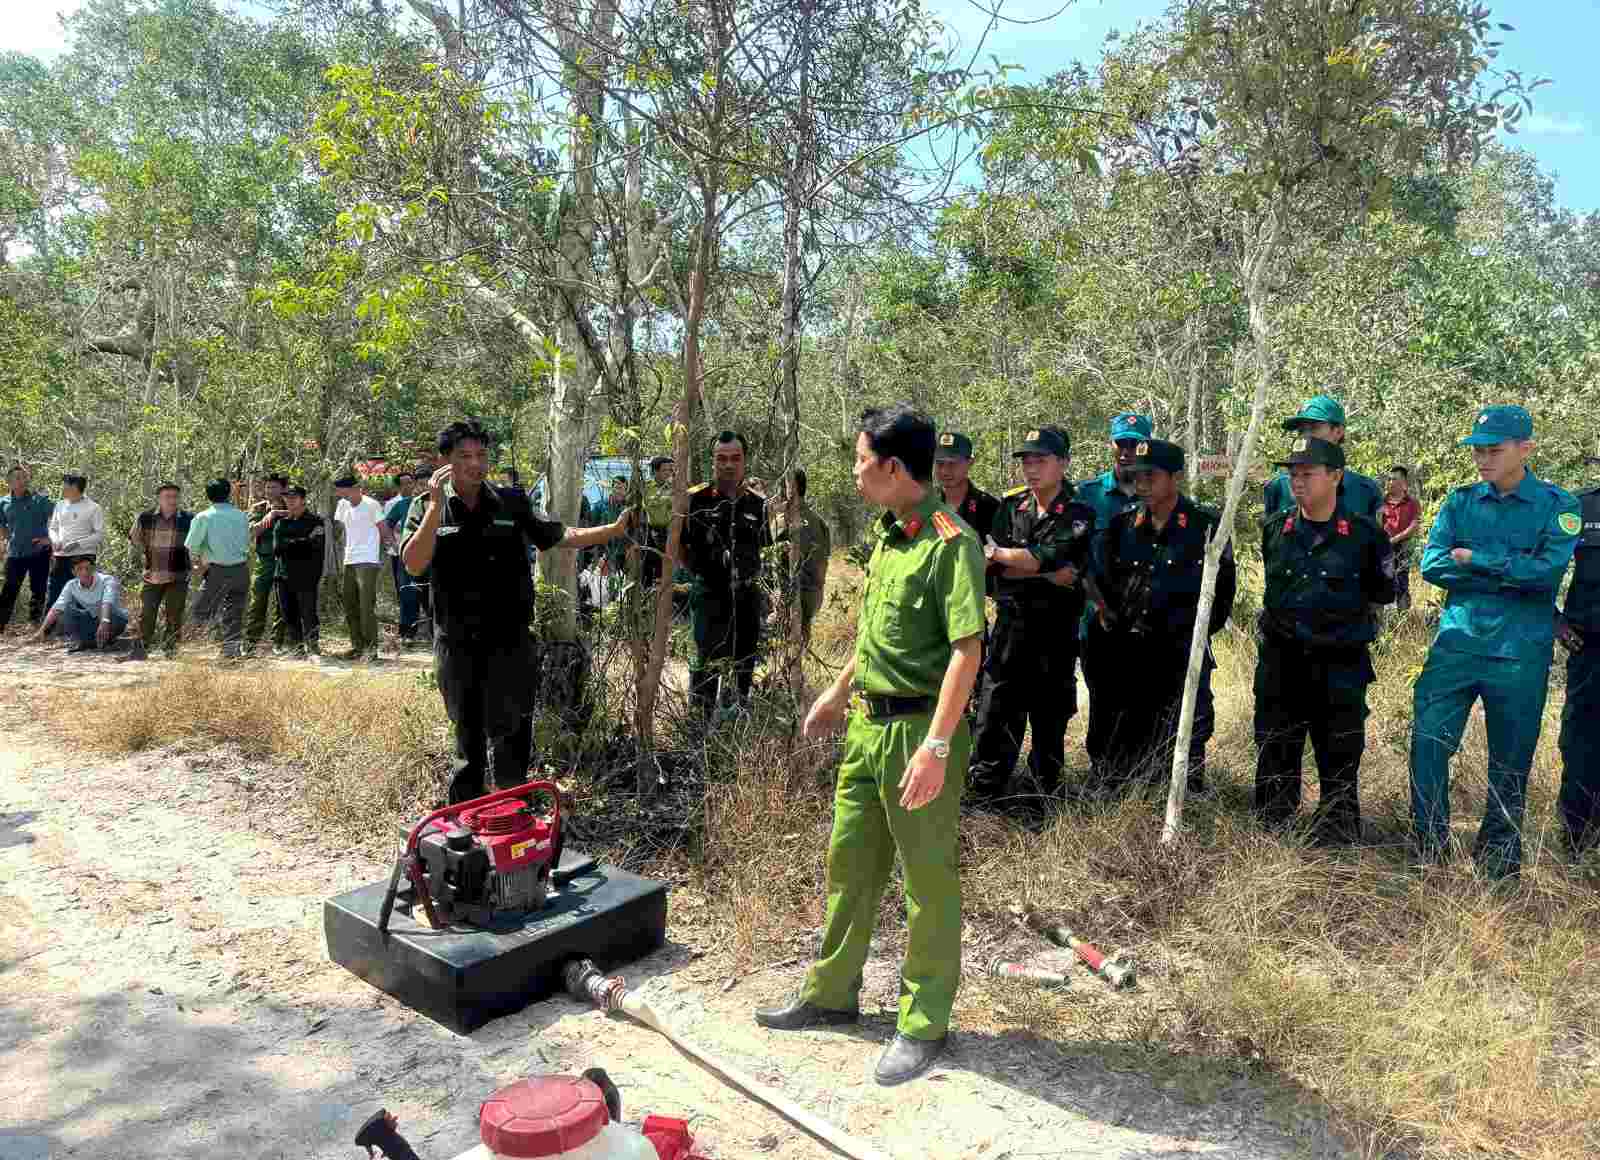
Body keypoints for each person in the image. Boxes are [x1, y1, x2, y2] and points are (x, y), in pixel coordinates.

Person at [755, 403, 984, 1088]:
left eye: (860, 459)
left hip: (919, 734)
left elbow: (966, 651)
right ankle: (831, 995)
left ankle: (923, 1023)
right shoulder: (889, 535)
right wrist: (836, 692)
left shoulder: (951, 541)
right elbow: (875, 635)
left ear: (891, 466)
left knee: (928, 885)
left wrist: (937, 747)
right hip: (865, 727)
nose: (853, 472)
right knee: (850, 866)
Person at [401, 419, 633, 803]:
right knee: (467, 733)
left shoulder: (510, 500)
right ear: (445, 461)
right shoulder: (426, 507)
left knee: (512, 727)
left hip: (509, 640)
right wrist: (433, 506)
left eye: (481, 455)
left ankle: (513, 804)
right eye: (464, 457)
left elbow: (559, 536)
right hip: (457, 643)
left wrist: (613, 529)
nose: (476, 464)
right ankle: (466, 814)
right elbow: (413, 563)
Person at [1410, 405, 1579, 878]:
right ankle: (1429, 850)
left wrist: (1476, 562)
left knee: (1511, 762)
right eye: (1478, 450)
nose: (1482, 459)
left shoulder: (1556, 505)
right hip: (1457, 646)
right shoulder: (1461, 503)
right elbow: (1432, 566)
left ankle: (1499, 863)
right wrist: (1509, 571)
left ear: (1525, 449)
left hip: (1519, 652)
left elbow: (1547, 572)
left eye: (1493, 450)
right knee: (1427, 744)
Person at [1254, 437, 1396, 843]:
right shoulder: (1274, 530)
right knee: (1274, 752)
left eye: (1307, 474)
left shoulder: (1365, 536)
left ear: (1336, 476)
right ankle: (1273, 833)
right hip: (1282, 664)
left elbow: (1382, 591)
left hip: (1340, 665)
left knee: (1339, 757)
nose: (1297, 482)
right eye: (1292, 474)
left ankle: (1336, 837)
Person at [1088, 439, 1234, 794]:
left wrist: (1189, 636)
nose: (1141, 483)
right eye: (1136, 476)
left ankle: (1184, 795)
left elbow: (1223, 594)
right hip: (1130, 655)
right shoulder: (1122, 527)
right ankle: (1120, 794)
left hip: (1181, 653)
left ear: (1176, 477)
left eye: (1150, 475)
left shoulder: (1206, 527)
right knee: (1123, 738)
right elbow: (1103, 583)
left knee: (1186, 737)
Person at [967, 426, 1096, 810]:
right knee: (996, 710)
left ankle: (1042, 797)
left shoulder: (1079, 513)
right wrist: (1041, 572)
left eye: (1040, 460)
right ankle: (988, 791)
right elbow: (996, 567)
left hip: (1054, 632)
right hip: (1010, 628)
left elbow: (1046, 559)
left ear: (1063, 463)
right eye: (1026, 460)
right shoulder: (1011, 507)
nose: (1031, 468)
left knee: (1049, 716)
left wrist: (1017, 559)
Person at [1077, 412, 1155, 775]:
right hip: (1099, 619)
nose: (1126, 452)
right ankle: (1102, 771)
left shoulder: (1158, 493)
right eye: (1120, 443)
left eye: (1133, 444)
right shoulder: (1088, 494)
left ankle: (1138, 772)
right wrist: (1098, 604)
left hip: (1145, 622)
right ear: (1111, 445)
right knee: (1103, 698)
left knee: (1141, 698)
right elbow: (1075, 558)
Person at [682, 431, 772, 719]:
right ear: (713, 461)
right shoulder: (695, 500)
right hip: (709, 596)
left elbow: (766, 549)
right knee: (706, 663)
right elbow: (682, 548)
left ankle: (737, 722)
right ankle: (699, 724)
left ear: (744, 461)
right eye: (722, 458)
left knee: (744, 662)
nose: (728, 465)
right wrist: (701, 574)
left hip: (746, 597)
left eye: (735, 458)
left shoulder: (758, 504)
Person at [1262, 395, 1383, 519]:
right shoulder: (1279, 487)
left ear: (1338, 432)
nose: (1306, 436)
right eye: (1301, 430)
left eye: (1314, 428)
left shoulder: (1365, 490)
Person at [124, 482, 194, 661]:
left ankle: (170, 650)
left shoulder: (189, 519)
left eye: (175, 496)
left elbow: (196, 545)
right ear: (159, 498)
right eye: (167, 496)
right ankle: (140, 650)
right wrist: (143, 561)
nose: (172, 500)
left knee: (174, 613)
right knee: (146, 614)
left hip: (178, 574)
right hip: (152, 574)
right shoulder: (145, 518)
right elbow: (134, 540)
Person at [185, 478, 251, 659]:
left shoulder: (204, 517)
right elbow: (246, 542)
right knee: (234, 611)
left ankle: (184, 646)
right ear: (228, 493)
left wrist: (198, 566)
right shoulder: (241, 515)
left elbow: (192, 547)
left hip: (216, 571)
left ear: (208, 495)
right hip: (241, 570)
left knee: (200, 610)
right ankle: (231, 651)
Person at [769, 468, 832, 650]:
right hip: (811, 594)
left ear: (791, 488)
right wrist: (818, 591)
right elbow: (823, 564)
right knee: (801, 646)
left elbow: (769, 559)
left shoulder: (782, 522)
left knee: (783, 648)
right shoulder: (819, 522)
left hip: (786, 595)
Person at [333, 474, 393, 662]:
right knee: (350, 604)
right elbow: (341, 530)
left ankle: (371, 649)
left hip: (367, 560)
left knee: (366, 605)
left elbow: (383, 529)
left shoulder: (371, 504)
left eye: (341, 489)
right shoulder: (342, 505)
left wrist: (392, 549)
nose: (338, 493)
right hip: (349, 560)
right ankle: (357, 646)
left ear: (353, 488)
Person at [273, 485, 326, 658]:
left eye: (293, 498)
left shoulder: (315, 521)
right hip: (283, 575)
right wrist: (303, 541)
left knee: (308, 612)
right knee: (288, 613)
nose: (289, 501)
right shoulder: (281, 523)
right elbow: (277, 549)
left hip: (307, 575)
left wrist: (291, 543)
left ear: (303, 500)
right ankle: (297, 647)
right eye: (287, 498)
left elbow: (316, 546)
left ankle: (313, 646)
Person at [34, 555, 128, 652]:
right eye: (79, 569)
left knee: (106, 612)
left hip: (112, 618)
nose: (84, 572)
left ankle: (97, 641)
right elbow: (57, 608)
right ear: (74, 572)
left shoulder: (107, 580)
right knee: (67, 609)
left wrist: (104, 621)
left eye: (87, 568)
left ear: (93, 569)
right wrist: (42, 631)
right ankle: (86, 641)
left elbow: (107, 602)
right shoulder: (71, 585)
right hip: (93, 620)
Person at [0, 465, 54, 633]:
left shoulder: (40, 500)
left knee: (38, 588)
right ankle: (1, 624)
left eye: (24, 477)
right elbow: (2, 525)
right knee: (9, 589)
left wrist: (50, 539)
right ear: (9, 481)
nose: (21, 480)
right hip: (15, 553)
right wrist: (8, 540)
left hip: (39, 552)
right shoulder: (3, 502)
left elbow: (59, 517)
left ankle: (34, 622)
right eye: (17, 477)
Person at [244, 474, 289, 656]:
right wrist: (271, 516)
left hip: (286, 562)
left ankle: (278, 643)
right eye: (268, 487)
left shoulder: (291, 506)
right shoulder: (259, 508)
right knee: (258, 601)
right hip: (264, 561)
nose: (270, 491)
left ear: (283, 489)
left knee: (282, 603)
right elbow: (252, 531)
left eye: (274, 487)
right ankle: (251, 642)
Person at [46, 473, 105, 612]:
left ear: (75, 487)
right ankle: (50, 628)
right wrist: (55, 540)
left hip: (83, 556)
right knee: (55, 590)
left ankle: (82, 628)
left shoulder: (93, 507)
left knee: (82, 595)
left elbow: (99, 534)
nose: (62, 489)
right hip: (60, 555)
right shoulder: (60, 505)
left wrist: (78, 543)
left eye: (65, 486)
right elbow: (53, 527)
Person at [933, 432, 1001, 540]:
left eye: (952, 464)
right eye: (940, 463)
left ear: (970, 462)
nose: (945, 471)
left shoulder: (989, 507)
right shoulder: (926, 504)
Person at [384, 472, 421, 645]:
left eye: (411, 483)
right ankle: (407, 633)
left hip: (431, 556)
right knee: (407, 593)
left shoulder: (435, 503)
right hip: (407, 555)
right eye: (404, 484)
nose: (409, 486)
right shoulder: (402, 504)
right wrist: (395, 545)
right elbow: (386, 525)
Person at [1381, 466, 1423, 611]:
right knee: (1384, 581)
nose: (1390, 482)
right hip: (1384, 548)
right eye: (1389, 479)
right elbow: (1376, 523)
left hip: (1403, 547)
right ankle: (1385, 618)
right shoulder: (1382, 501)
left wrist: (1396, 539)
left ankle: (1403, 616)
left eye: (1394, 479)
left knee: (1401, 582)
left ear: (1403, 482)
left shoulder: (1412, 502)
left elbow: (1414, 526)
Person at [639, 455, 675, 589]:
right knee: (648, 568)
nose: (669, 473)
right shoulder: (646, 487)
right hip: (651, 533)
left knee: (667, 569)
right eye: (666, 470)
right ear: (655, 472)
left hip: (671, 533)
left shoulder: (675, 487)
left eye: (671, 470)